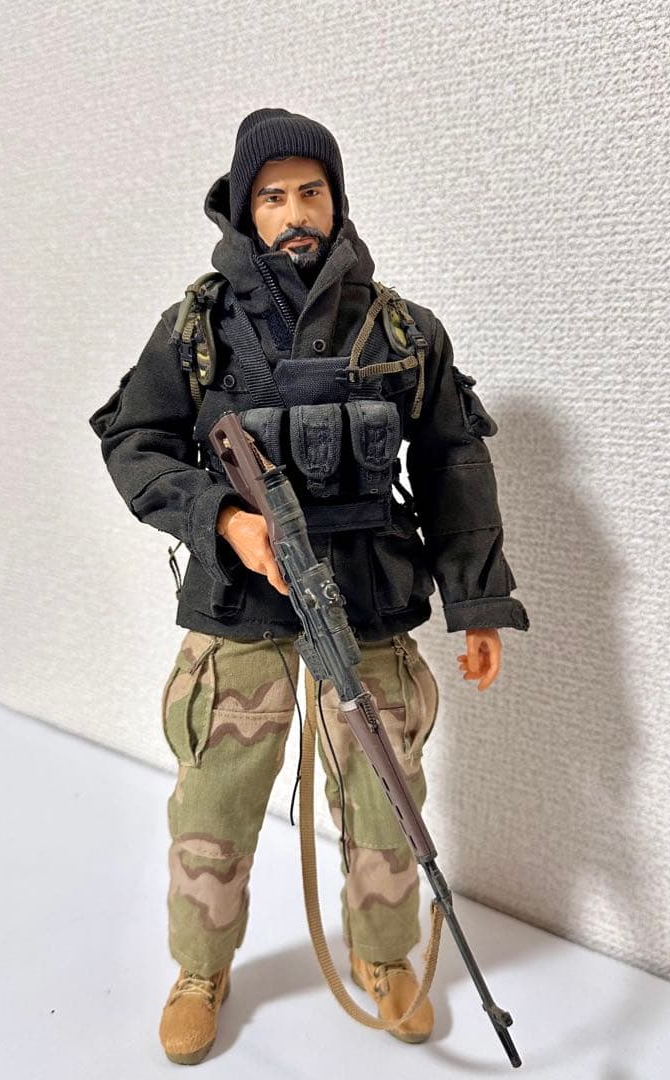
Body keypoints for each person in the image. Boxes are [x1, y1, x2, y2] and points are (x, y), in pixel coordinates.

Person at [90, 107, 529, 1066]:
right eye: (273, 196)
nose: (295, 213)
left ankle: (385, 957)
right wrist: (224, 520)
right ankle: (200, 970)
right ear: (245, 209)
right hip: (243, 600)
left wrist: (477, 601)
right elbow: (134, 441)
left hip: (365, 593)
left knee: (385, 793)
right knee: (215, 798)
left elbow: (455, 462)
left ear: (336, 200)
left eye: (311, 192)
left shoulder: (402, 330)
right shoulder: (201, 328)